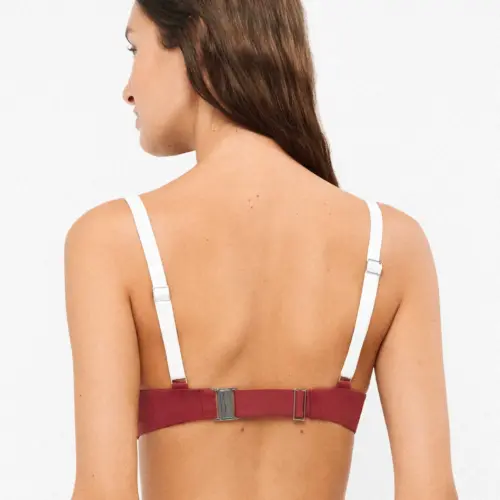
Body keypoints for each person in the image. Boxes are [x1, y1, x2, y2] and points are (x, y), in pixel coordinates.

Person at [64, 1, 458, 499]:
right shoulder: (392, 244)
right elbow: (431, 491)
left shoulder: (112, 241)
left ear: (195, 44)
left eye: (134, 49)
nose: (127, 89)